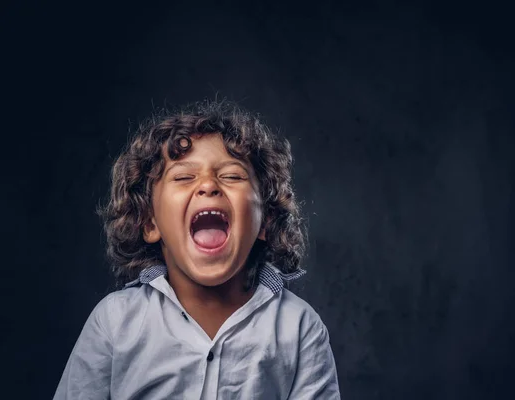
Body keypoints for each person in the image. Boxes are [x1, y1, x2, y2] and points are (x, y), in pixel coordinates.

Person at [53, 100, 341, 399]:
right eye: (183, 177)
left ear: (266, 220)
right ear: (150, 222)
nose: (208, 186)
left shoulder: (299, 327)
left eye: (232, 176)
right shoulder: (115, 321)